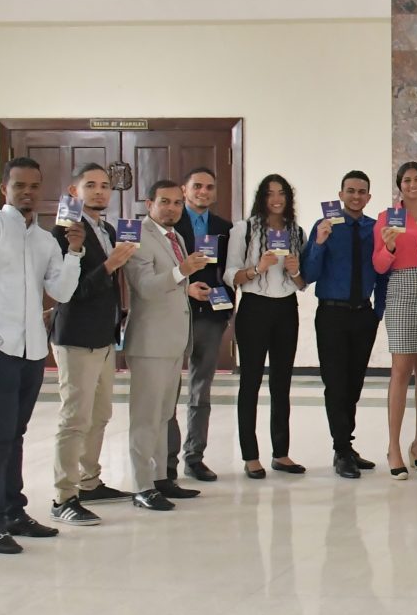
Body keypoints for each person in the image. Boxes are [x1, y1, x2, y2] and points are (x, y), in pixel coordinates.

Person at [0, 157, 84, 552]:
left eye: (33, 186)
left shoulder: (46, 240)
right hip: (0, 348)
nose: (27, 192)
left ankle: (14, 509)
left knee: (17, 433)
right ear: (4, 188)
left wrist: (75, 252)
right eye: (19, 186)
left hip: (32, 350)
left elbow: (60, 292)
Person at [49, 162, 140, 525]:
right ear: (75, 191)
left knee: (100, 414)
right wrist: (109, 265)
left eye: (105, 185)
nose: (100, 191)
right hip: (76, 336)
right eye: (91, 185)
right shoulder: (65, 232)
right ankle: (63, 495)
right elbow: (68, 292)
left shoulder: (107, 228)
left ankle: (89, 481)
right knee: (75, 417)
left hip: (104, 336)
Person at [123, 179, 212, 511]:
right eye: (165, 202)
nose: (172, 208)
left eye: (177, 203)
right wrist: (181, 273)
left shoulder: (175, 237)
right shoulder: (136, 236)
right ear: (150, 204)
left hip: (173, 339)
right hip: (150, 341)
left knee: (163, 415)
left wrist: (188, 284)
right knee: (146, 417)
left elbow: (173, 283)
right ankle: (141, 485)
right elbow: (144, 286)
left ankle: (161, 478)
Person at [303, 170, 389, 478]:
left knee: (354, 384)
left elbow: (382, 271)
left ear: (368, 196)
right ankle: (341, 450)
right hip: (331, 314)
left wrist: (377, 313)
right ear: (340, 195)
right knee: (336, 384)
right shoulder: (324, 226)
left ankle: (347, 445)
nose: (355, 196)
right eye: (350, 191)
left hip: (362, 315)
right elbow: (309, 272)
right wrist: (320, 243)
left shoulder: (374, 228)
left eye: (361, 191)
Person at [225, 174, 309, 477]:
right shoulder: (243, 230)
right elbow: (230, 275)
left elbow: (302, 284)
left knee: (282, 383)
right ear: (262, 197)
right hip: (254, 308)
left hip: (286, 308)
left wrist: (296, 271)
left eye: (282, 194)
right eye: (270, 193)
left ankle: (281, 453)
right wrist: (256, 269)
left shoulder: (296, 232)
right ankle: (250, 456)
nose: (276, 199)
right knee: (250, 381)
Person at [371, 161, 417, 472]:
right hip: (400, 290)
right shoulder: (386, 219)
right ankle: (393, 447)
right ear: (400, 185)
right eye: (407, 180)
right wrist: (387, 247)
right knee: (401, 369)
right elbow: (379, 265)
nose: (413, 185)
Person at [167, 167, 232, 483]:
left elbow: (229, 270)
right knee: (168, 388)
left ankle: (194, 457)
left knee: (200, 388)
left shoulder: (224, 228)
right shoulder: (169, 222)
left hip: (209, 316)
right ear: (184, 188)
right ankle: (166, 460)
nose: (203, 192)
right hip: (173, 312)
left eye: (209, 187)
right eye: (197, 186)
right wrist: (185, 287)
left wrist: (224, 303)